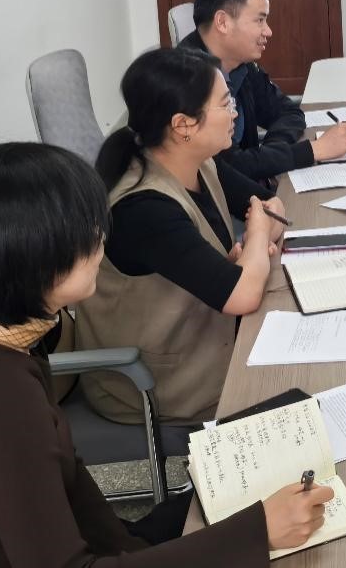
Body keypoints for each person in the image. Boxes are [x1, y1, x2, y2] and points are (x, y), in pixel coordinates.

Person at [0, 142, 333, 566]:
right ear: (29, 261)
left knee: (233, 489)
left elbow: (67, 485)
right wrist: (258, 532)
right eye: (83, 234)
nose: (101, 238)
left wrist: (138, 543)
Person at [75, 47, 285, 425]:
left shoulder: (200, 162)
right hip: (160, 384)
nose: (235, 112)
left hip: (207, 339)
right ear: (184, 125)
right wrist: (255, 240)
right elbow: (244, 293)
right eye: (225, 103)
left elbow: (272, 207)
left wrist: (251, 253)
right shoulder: (143, 207)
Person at [180, 0, 346, 181]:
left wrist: (271, 156)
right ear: (223, 22)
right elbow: (226, 169)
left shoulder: (240, 63)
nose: (268, 31)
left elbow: (288, 112)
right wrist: (313, 150)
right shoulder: (188, 82)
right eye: (260, 20)